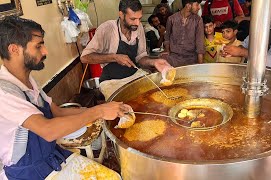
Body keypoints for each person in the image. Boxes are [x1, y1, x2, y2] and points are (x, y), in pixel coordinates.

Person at [0, 16, 130, 179]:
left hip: (50, 157)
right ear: (14, 49)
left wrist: (99, 110)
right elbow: (47, 130)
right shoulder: (4, 92)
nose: (45, 51)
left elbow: (57, 112)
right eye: (38, 46)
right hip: (28, 172)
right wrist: (99, 112)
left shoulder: (28, 80)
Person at [81, 0, 171, 98]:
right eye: (133, 19)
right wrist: (114, 57)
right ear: (121, 14)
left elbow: (140, 57)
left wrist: (154, 62)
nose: (137, 23)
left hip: (134, 76)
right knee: (125, 109)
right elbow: (85, 57)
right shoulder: (107, 29)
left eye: (139, 19)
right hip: (112, 82)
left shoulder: (138, 27)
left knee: (154, 96)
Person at [223, 0, 271, 74]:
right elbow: (247, 42)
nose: (270, 10)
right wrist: (232, 51)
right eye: (269, 5)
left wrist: (241, 51)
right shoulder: (265, 22)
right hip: (254, 72)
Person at [163, 0, 205, 67]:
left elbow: (200, 44)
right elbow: (167, 38)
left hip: (191, 60)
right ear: (188, 5)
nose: (199, 8)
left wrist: (200, 66)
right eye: (197, 5)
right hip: (174, 59)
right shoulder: (171, 19)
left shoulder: (198, 20)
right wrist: (168, 51)